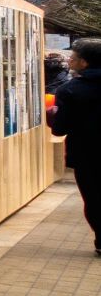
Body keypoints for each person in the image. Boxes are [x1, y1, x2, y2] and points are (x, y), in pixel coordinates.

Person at [50, 38, 101, 256]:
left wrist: (53, 116)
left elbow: (60, 128)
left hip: (86, 154)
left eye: (74, 57)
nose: (69, 61)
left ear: (85, 63)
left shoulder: (70, 91)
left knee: (94, 198)